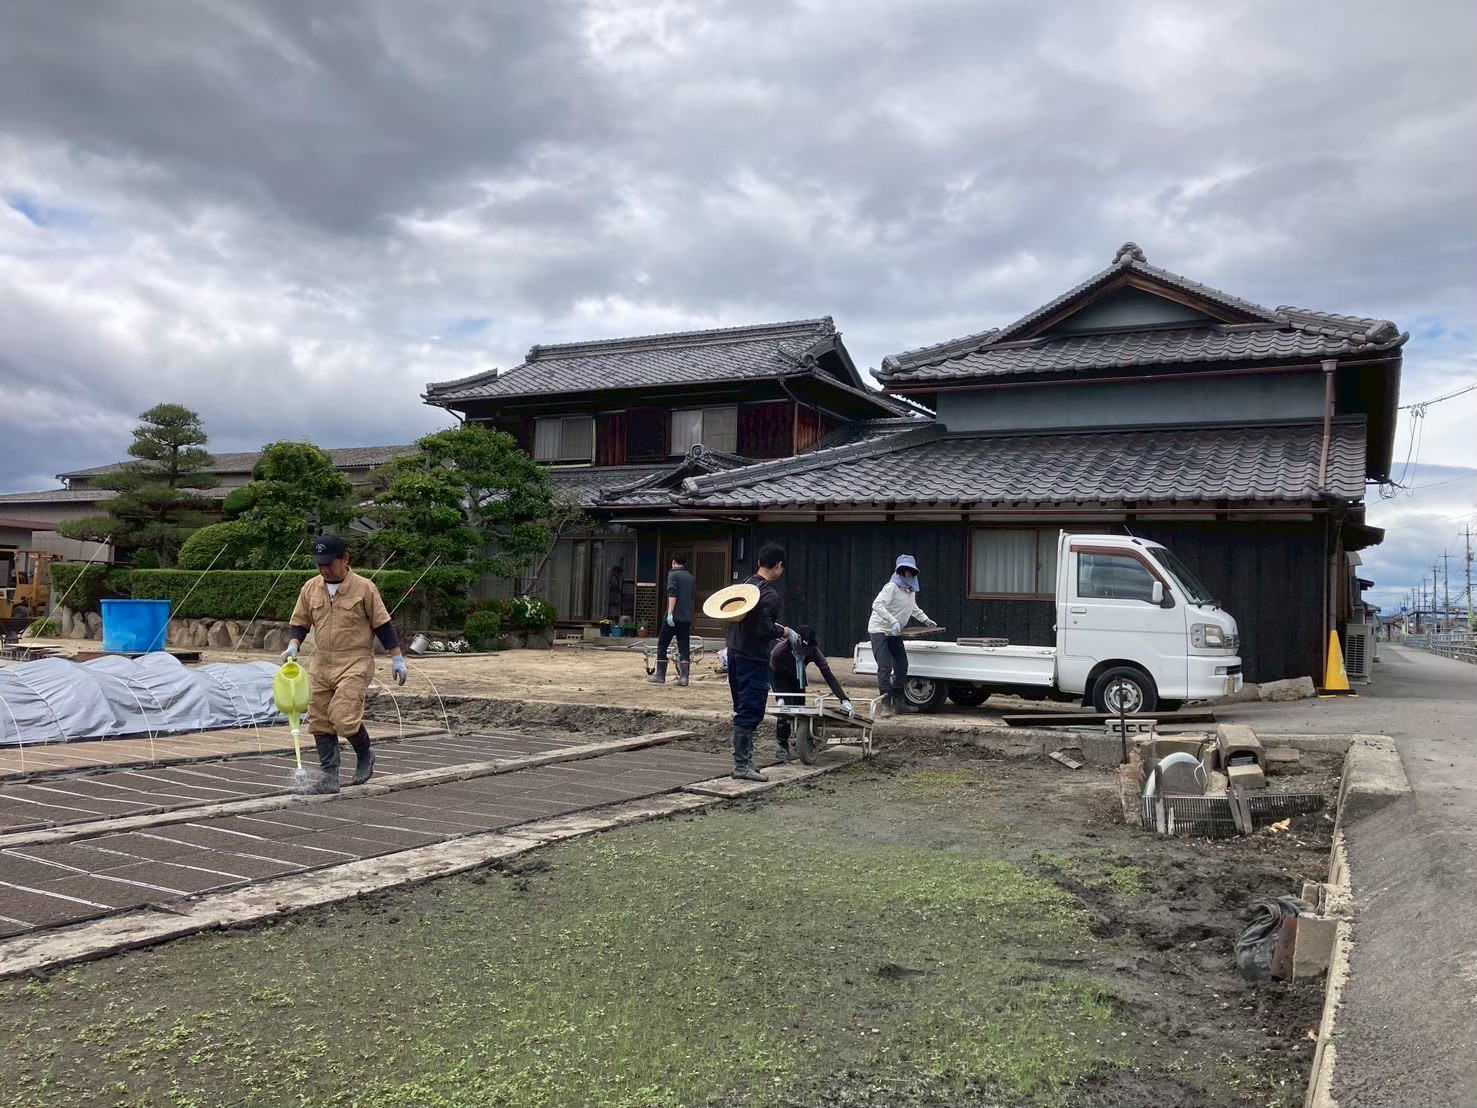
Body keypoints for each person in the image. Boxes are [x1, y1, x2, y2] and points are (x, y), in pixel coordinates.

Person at [282, 535, 408, 794]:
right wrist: (293, 644)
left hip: (355, 661)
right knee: (319, 719)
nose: (325, 569)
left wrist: (397, 657)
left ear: (345, 559)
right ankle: (329, 777)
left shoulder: (364, 588)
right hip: (322, 661)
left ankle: (365, 754)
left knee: (343, 717)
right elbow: (300, 622)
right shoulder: (311, 588)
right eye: (320, 564)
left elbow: (382, 624)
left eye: (330, 563)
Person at [726, 542, 799, 782]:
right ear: (779, 566)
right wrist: (785, 631)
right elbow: (764, 628)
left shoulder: (745, 585)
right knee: (751, 709)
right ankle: (741, 765)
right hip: (752, 657)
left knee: (742, 707)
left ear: (759, 563)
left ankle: (745, 760)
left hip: (734, 652)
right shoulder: (769, 594)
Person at [770, 625, 852, 762]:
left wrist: (844, 699)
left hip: (798, 677)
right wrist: (780, 696)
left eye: (805, 652)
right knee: (785, 711)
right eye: (799, 651)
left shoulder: (814, 651)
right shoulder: (779, 651)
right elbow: (774, 675)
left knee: (801, 708)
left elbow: (828, 675)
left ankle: (801, 739)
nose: (801, 654)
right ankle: (782, 746)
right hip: (780, 676)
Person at [868, 554, 936, 715]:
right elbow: (877, 604)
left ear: (913, 573)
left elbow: (913, 608)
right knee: (885, 667)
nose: (907, 574)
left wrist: (926, 620)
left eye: (910, 571)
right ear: (899, 572)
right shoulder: (891, 587)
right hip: (880, 630)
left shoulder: (911, 591)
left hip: (895, 632)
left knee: (902, 664)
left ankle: (899, 702)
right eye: (903, 571)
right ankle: (886, 703)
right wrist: (892, 620)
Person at [647, 553, 695, 686]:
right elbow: (691, 598)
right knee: (684, 646)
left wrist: (670, 613)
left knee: (662, 644)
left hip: (673, 617)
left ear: (673, 562)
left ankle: (660, 675)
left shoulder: (673, 575)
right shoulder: (690, 577)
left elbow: (672, 594)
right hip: (686, 618)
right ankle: (684, 677)